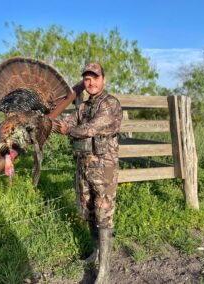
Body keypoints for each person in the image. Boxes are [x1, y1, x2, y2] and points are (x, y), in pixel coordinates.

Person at [53, 62, 122, 283]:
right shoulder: (83, 106)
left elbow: (92, 128)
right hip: (83, 167)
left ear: (103, 79)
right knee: (89, 211)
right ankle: (96, 253)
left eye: (94, 77)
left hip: (103, 169)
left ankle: (104, 270)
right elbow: (67, 121)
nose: (90, 81)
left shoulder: (110, 104)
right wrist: (49, 121)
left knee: (103, 214)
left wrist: (68, 130)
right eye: (86, 78)